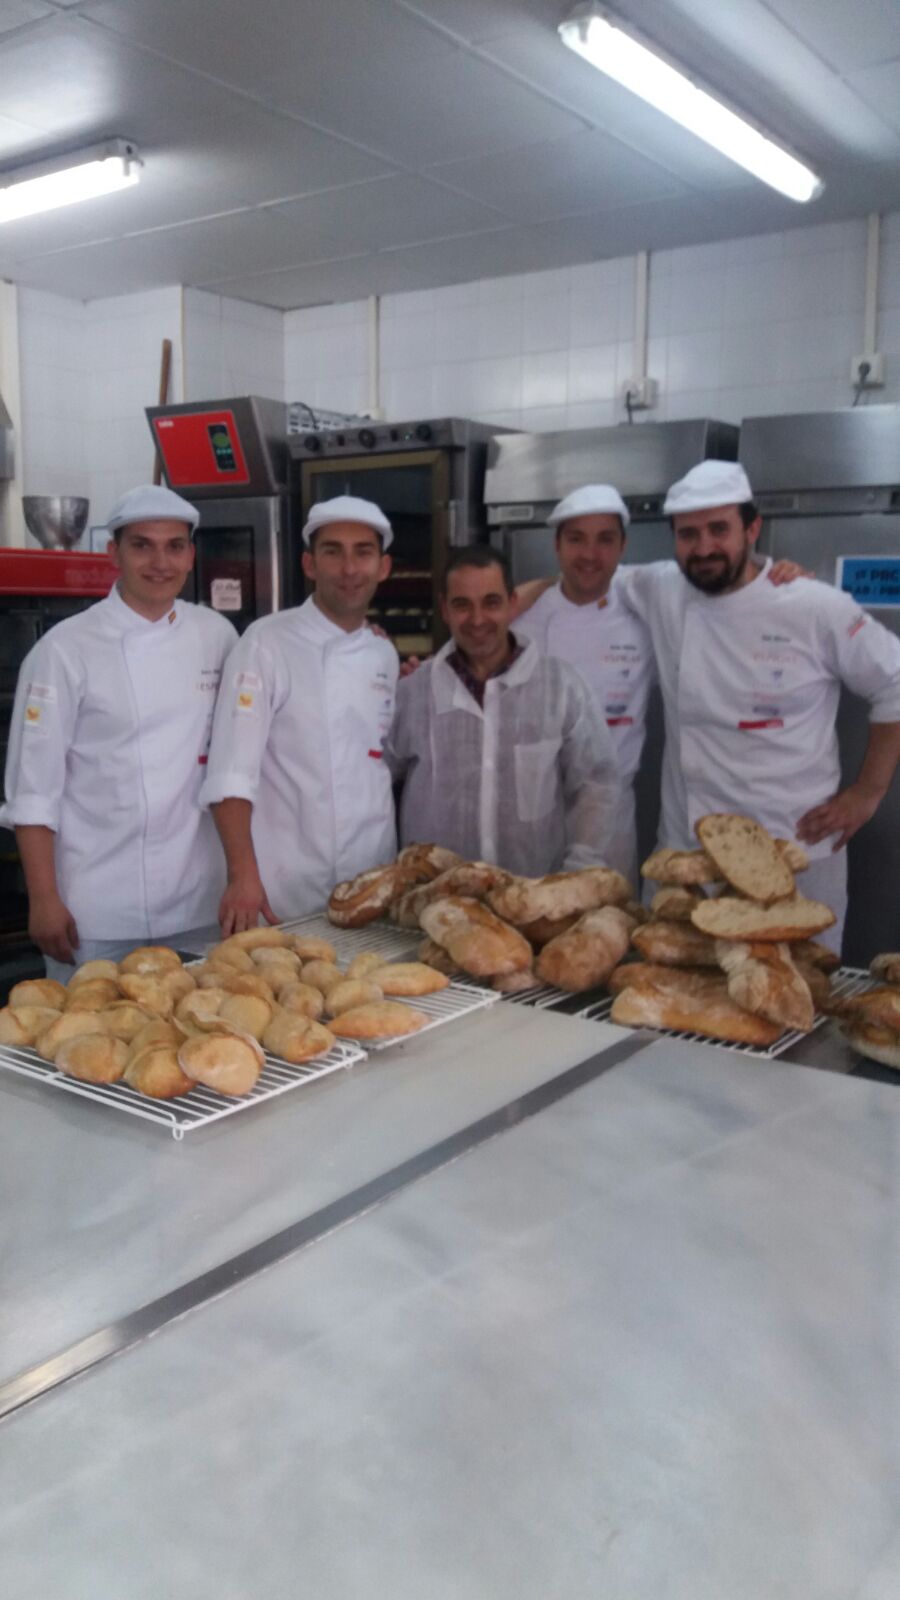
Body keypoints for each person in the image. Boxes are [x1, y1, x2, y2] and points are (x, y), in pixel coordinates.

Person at [615, 459, 900, 951]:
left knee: (792, 999)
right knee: (678, 997)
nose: (703, 548)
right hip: (688, 857)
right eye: (688, 534)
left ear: (752, 528)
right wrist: (520, 596)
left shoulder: (813, 605)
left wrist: (868, 793)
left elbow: (894, 681)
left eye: (718, 529)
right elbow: (583, 581)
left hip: (793, 852)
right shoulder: (661, 588)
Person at [1, 484, 237, 980]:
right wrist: (43, 899)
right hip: (95, 910)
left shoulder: (217, 635)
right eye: (141, 545)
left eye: (175, 546)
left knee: (199, 1039)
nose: (160, 562)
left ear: (191, 555)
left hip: (197, 900)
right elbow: (33, 790)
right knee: (86, 1047)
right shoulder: (64, 650)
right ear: (113, 553)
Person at [200, 495, 398, 932]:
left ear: (383, 567)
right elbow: (230, 773)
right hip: (282, 893)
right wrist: (241, 876)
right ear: (309, 564)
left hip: (371, 886)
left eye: (363, 553)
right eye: (333, 552)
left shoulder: (384, 653)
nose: (349, 569)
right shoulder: (266, 643)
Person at [383, 545, 622, 876]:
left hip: (533, 903)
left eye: (491, 602)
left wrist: (580, 866)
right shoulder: (413, 692)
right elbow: (372, 779)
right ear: (444, 610)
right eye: (462, 605)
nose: (477, 619)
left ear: (512, 604)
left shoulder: (560, 687)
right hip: (433, 900)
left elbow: (597, 784)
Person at [510, 484, 654, 883]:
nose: (590, 555)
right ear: (557, 546)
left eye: (604, 540)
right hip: (532, 814)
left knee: (604, 934)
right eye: (576, 540)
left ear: (623, 547)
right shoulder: (525, 619)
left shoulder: (644, 607)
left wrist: (773, 569)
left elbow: (715, 580)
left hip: (611, 817)